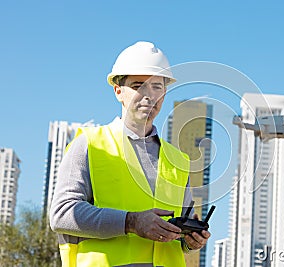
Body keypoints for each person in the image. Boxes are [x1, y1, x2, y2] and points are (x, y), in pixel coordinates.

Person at [50, 41, 211, 267]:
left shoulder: (177, 160)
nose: (149, 95)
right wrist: (131, 222)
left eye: (157, 86)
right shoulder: (89, 144)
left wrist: (191, 240)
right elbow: (62, 214)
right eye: (138, 85)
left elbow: (179, 237)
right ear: (118, 91)